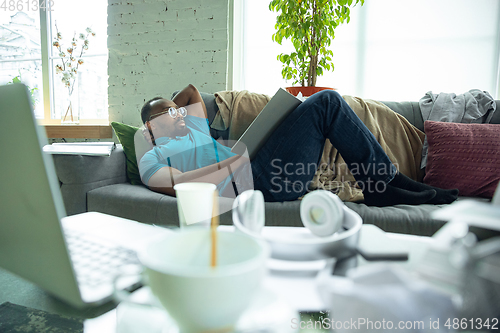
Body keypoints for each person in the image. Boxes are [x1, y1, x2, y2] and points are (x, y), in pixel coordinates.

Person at [138, 84, 458, 207]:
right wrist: (231, 165)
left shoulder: (191, 127)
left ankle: (388, 181)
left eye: (178, 110)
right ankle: (384, 185)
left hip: (256, 166)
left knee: (326, 102)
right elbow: (179, 184)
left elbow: (192, 91)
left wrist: (170, 107)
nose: (180, 114)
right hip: (257, 183)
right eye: (168, 113)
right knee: (326, 102)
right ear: (150, 130)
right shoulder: (153, 157)